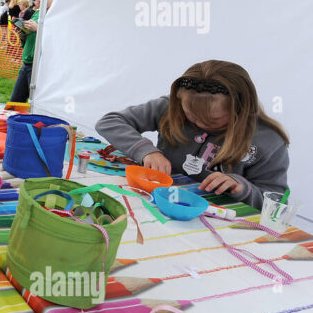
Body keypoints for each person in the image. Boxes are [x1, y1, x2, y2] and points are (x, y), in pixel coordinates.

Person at [95, 60, 289, 209]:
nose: (200, 124)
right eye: (191, 116)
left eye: (213, 120)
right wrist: (146, 151)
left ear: (241, 109)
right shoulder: (170, 108)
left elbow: (275, 203)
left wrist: (242, 187)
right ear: (180, 100)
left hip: (216, 221)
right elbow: (109, 122)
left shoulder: (268, 140)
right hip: (157, 203)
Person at [10, 0, 51, 103]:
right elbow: (31, 38)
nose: (37, 2)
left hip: (40, 66)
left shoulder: (56, 13)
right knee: (15, 104)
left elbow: (58, 38)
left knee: (37, 104)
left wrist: (38, 28)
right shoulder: (38, 12)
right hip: (27, 62)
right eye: (34, 0)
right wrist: (23, 33)